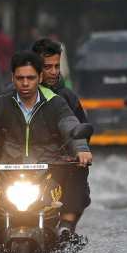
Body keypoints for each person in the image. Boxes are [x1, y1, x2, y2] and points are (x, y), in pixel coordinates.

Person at [0, 51, 92, 237]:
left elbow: (70, 127)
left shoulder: (56, 104)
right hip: (7, 170)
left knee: (78, 169)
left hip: (49, 168)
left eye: (31, 77)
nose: (25, 83)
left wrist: (82, 150)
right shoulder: (0, 104)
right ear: (13, 78)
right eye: (20, 78)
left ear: (40, 77)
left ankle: (65, 227)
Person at [31, 38, 91, 231]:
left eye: (57, 66)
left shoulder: (67, 98)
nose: (54, 71)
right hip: (19, 165)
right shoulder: (9, 96)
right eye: (48, 67)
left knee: (78, 170)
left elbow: (79, 130)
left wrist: (78, 151)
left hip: (57, 165)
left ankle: (65, 226)